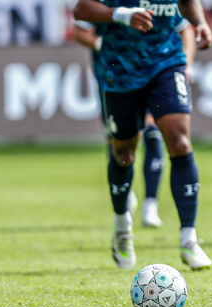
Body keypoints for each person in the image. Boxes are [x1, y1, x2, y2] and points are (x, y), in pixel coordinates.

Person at [72, 0, 212, 271]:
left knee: (179, 140)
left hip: (166, 61)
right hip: (120, 69)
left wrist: (200, 22)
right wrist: (122, 14)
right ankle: (123, 226)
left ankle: (189, 239)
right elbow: (81, 8)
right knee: (124, 152)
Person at [73, 17, 197, 228]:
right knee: (119, 143)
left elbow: (185, 28)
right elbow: (80, 30)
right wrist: (106, 45)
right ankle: (125, 194)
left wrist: (187, 63)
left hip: (156, 72)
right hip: (116, 78)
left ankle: (151, 204)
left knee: (153, 131)